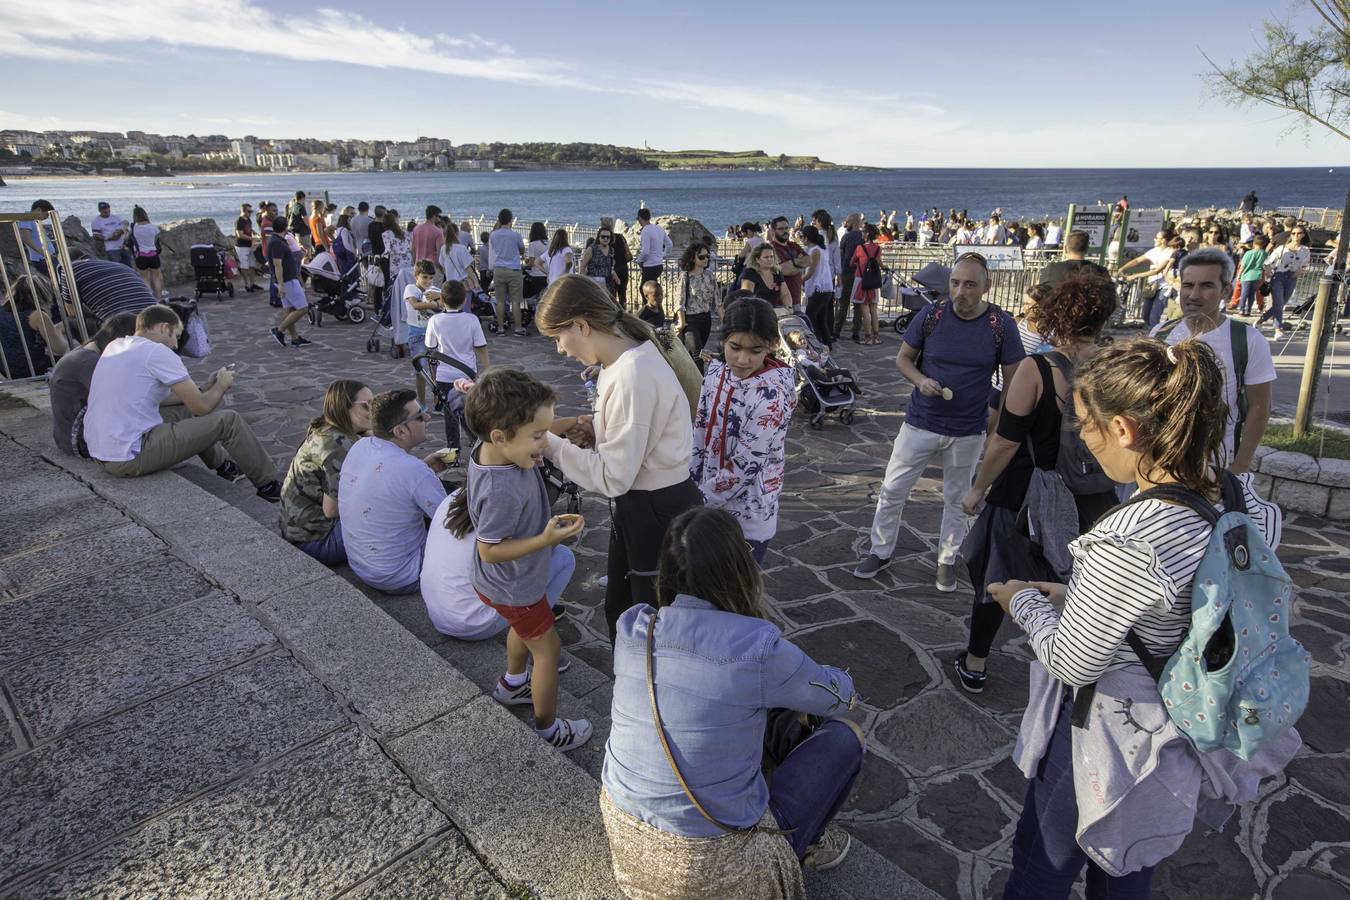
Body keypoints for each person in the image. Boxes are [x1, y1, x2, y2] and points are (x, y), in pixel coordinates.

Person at [986, 337, 1296, 900]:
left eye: (1086, 423)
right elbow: (1194, 601)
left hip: (1113, 734)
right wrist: (1079, 594)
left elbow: (1074, 661)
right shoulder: (1245, 501)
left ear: (1125, 430)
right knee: (1130, 864)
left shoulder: (1129, 538)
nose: (1082, 435)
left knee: (1042, 867)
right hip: (1187, 725)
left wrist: (1022, 603)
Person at [599, 507, 864, 896]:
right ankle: (803, 845)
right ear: (738, 568)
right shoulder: (758, 647)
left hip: (628, 844)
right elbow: (841, 699)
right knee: (845, 737)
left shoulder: (635, 627)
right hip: (718, 868)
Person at [955, 275, 1119, 694]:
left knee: (998, 574)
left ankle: (975, 661)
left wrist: (977, 489)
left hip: (1026, 490)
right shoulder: (1115, 366)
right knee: (1082, 581)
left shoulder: (1038, 368)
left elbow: (1006, 439)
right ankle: (1076, 660)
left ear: (1054, 314)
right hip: (1093, 491)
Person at [536, 275, 703, 642]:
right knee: (628, 610)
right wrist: (599, 431)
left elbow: (614, 478)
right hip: (650, 504)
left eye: (558, 338)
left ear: (582, 325)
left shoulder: (631, 372)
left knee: (644, 624)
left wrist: (548, 443)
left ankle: (644, 696)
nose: (560, 350)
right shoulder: (628, 357)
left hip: (654, 511)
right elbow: (644, 432)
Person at [854, 253, 1024, 590]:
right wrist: (920, 381)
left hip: (967, 430)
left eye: (970, 284)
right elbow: (903, 359)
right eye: (955, 283)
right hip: (920, 423)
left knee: (958, 499)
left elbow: (1013, 383)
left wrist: (996, 425)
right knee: (892, 491)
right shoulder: (931, 315)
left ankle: (946, 558)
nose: (961, 291)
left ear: (986, 287)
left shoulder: (1001, 325)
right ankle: (880, 550)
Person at [460, 368, 592, 750]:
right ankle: (549, 730)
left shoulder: (491, 445)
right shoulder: (500, 488)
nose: (543, 445)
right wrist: (544, 539)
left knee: (525, 628)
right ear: (501, 436)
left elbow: (538, 430)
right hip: (512, 584)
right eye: (537, 437)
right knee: (547, 649)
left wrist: (575, 424)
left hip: (503, 585)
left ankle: (512, 684)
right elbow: (490, 548)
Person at [84, 304, 280, 499]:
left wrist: (203, 388)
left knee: (186, 409)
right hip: (129, 456)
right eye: (176, 336)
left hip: (102, 451)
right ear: (163, 328)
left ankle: (225, 467)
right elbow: (202, 407)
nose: (176, 346)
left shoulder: (116, 346)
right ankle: (270, 486)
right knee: (229, 421)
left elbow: (159, 399)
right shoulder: (157, 352)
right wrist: (222, 385)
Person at [1151, 248, 1275, 473]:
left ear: (1226, 291)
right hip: (1162, 459)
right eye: (1188, 285)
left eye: (1206, 286)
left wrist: (1240, 466)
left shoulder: (1248, 339)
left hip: (1217, 463)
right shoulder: (1160, 333)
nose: (1194, 295)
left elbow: (1260, 406)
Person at [692, 298, 796, 565]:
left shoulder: (772, 399)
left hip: (747, 518)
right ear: (723, 339)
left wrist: (694, 500)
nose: (742, 359)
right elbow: (700, 432)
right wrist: (690, 483)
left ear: (771, 346)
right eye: (735, 347)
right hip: (704, 506)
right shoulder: (715, 373)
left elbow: (744, 466)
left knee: (735, 600)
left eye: (755, 350)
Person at [422, 486, 577, 640]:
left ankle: (535, 619)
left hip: (438, 611)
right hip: (474, 623)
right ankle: (537, 629)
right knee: (564, 557)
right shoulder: (504, 510)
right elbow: (526, 568)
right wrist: (552, 539)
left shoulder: (455, 496)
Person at [338, 389, 452, 593]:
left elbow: (388, 480)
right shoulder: (414, 471)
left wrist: (424, 466)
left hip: (363, 567)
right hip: (403, 576)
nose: (427, 417)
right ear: (400, 431)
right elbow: (451, 522)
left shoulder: (361, 446)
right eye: (419, 416)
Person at [279, 380, 374, 564]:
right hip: (316, 541)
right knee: (389, 510)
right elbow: (331, 510)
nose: (372, 411)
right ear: (345, 408)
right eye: (365, 406)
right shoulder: (337, 446)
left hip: (298, 530)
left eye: (374, 403)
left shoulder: (328, 428)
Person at [48, 312, 138, 455]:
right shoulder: (90, 363)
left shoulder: (85, 352)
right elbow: (126, 400)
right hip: (80, 441)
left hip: (68, 436)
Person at [425, 281, 490, 452]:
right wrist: (488, 368)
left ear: (442, 299)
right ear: (464, 300)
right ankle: (478, 445)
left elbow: (430, 349)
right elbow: (480, 347)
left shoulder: (434, 320)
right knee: (469, 411)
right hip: (467, 373)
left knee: (450, 415)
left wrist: (433, 376)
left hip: (444, 375)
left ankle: (453, 451)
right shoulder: (472, 320)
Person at [0, 273, 69, 379]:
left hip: (6, 369)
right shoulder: (38, 316)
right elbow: (60, 348)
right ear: (42, 294)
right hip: (31, 369)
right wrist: (58, 330)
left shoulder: (2, 311)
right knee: (71, 356)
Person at [1257, 224, 1311, 340]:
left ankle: (1260, 321)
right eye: (1293, 233)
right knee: (1279, 303)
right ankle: (1278, 330)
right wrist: (1268, 272)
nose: (1296, 236)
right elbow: (1268, 262)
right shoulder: (1282, 248)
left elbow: (1306, 265)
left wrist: (1299, 272)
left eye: (1299, 233)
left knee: (1280, 304)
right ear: (1290, 234)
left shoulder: (1305, 250)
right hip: (1278, 277)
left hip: (1292, 279)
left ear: (1303, 235)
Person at [266, 218, 313, 348]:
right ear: (285, 227)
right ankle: (279, 330)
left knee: (290, 309)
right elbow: (277, 264)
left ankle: (295, 338)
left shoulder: (278, 240)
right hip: (287, 281)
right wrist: (281, 284)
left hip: (286, 280)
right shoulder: (277, 243)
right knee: (303, 308)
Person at [1116, 230, 1176, 328]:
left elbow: (1158, 270)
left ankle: (1153, 337)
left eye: (1157, 238)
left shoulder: (1170, 252)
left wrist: (1136, 275)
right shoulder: (1154, 250)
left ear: (1163, 240)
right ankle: (1150, 332)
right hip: (1152, 285)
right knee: (1145, 315)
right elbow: (1137, 260)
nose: (1154, 239)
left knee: (1154, 315)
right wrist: (1122, 268)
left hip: (1164, 285)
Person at [675, 242, 717, 360]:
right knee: (697, 354)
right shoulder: (685, 276)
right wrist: (682, 323)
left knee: (695, 353)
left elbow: (717, 300)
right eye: (702, 257)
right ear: (693, 258)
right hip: (690, 320)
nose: (706, 259)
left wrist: (725, 321)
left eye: (707, 256)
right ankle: (700, 379)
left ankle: (689, 376)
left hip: (706, 319)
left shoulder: (710, 275)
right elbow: (680, 301)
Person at [488, 208, 527, 335]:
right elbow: (522, 250)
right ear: (511, 220)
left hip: (498, 269)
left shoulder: (493, 235)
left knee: (500, 300)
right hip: (514, 269)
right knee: (515, 301)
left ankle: (500, 328)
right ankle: (518, 328)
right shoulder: (515, 235)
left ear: (499, 220)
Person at [799, 225, 834, 346]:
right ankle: (827, 345)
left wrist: (798, 282)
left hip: (819, 289)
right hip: (824, 288)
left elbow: (810, 273)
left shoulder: (815, 251)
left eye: (802, 236)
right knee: (820, 320)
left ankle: (813, 344)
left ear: (807, 238)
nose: (801, 239)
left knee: (809, 318)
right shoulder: (818, 249)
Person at [833, 213, 865, 342]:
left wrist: (838, 274)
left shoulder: (846, 237)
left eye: (847, 221)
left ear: (852, 223)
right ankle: (856, 332)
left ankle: (836, 331)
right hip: (861, 274)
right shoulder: (864, 237)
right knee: (858, 305)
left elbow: (841, 257)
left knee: (843, 304)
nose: (846, 223)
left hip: (847, 274)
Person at [849, 224, 883, 345]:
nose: (862, 234)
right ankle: (876, 337)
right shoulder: (878, 249)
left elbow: (851, 262)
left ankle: (867, 338)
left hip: (861, 281)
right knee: (873, 310)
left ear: (867, 234)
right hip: (873, 282)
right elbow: (880, 263)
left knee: (865, 310)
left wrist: (859, 264)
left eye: (863, 232)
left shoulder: (860, 248)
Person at [1038, 231, 1109, 287]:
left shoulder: (1052, 269)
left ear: (1065, 249)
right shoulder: (1101, 272)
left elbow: (1038, 293)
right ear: (1087, 249)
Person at [739, 242, 791, 309]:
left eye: (771, 257)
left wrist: (788, 307)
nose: (770, 259)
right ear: (757, 259)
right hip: (755, 313)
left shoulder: (777, 273)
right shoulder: (749, 273)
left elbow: (785, 294)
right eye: (766, 257)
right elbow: (747, 298)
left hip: (774, 312)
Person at [128, 206, 165, 297]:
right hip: (153, 255)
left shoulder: (133, 227)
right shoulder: (153, 227)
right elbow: (156, 240)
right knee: (156, 278)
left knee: (145, 279)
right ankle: (159, 298)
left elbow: (128, 238)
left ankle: (149, 298)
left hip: (140, 256)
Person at [439, 220, 479, 293]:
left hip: (451, 283)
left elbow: (443, 266)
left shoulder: (443, 248)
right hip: (462, 283)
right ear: (457, 234)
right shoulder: (461, 248)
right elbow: (468, 268)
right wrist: (476, 282)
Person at [580, 224, 621, 297]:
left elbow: (610, 267)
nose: (605, 239)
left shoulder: (611, 250)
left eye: (608, 237)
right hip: (594, 284)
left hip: (608, 285)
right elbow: (582, 266)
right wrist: (585, 283)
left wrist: (616, 277)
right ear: (598, 238)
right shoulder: (592, 249)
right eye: (603, 237)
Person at [17, 200, 58, 273]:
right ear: (39, 210)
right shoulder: (27, 218)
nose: (47, 217)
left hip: (46, 257)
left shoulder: (33, 220)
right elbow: (25, 238)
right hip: (42, 258)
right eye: (46, 214)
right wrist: (44, 253)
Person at [636, 207, 673, 286]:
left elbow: (645, 251)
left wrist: (639, 261)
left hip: (649, 266)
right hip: (659, 265)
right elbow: (669, 244)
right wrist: (663, 255)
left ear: (640, 218)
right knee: (653, 289)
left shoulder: (645, 230)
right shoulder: (659, 228)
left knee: (645, 290)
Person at [1236, 234, 1269, 316]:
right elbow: (1266, 265)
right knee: (1251, 294)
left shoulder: (1248, 253)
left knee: (1244, 293)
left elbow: (1243, 265)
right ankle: (1248, 310)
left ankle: (1241, 309)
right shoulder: (1264, 254)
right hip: (1257, 276)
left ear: (1254, 243)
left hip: (1246, 276)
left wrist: (1238, 275)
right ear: (1264, 244)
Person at [91, 201, 132, 268]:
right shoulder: (96, 221)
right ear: (100, 211)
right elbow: (96, 236)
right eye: (105, 212)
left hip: (123, 246)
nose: (107, 213)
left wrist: (121, 232)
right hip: (111, 248)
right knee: (116, 267)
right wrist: (109, 238)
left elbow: (125, 225)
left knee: (129, 267)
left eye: (108, 211)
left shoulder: (116, 217)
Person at [232, 203, 261, 293]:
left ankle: (252, 283)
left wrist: (255, 233)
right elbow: (240, 235)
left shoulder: (248, 219)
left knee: (252, 265)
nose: (250, 213)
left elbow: (249, 229)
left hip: (249, 245)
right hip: (241, 246)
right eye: (249, 211)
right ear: (243, 210)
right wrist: (253, 238)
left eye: (251, 211)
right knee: (244, 266)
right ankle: (246, 284)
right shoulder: (239, 221)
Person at [412, 205, 445, 275]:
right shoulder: (438, 231)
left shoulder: (416, 229)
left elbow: (413, 249)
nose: (439, 219)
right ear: (434, 216)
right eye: (438, 216)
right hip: (432, 267)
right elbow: (440, 252)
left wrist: (415, 264)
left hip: (419, 266)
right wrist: (441, 268)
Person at [524, 221, 550, 302]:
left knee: (536, 298)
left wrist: (524, 266)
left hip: (536, 275)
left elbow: (531, 263)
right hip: (548, 274)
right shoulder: (550, 243)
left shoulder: (532, 244)